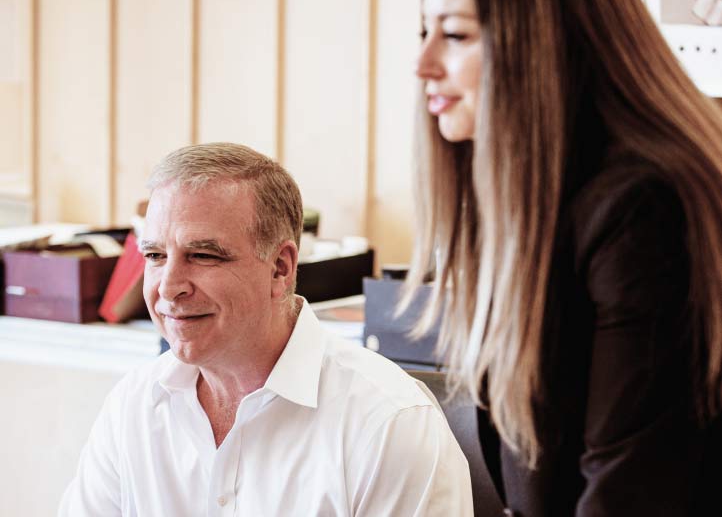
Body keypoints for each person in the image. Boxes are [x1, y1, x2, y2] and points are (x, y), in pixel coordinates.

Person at [407, 0, 722, 515]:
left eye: (456, 34)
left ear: (545, 43)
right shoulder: (525, 197)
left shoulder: (643, 206)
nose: (423, 63)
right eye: (424, 29)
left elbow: (629, 490)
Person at [59, 143, 473, 516]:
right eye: (154, 255)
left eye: (202, 255)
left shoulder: (389, 424)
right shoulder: (135, 404)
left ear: (280, 268)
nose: (169, 286)